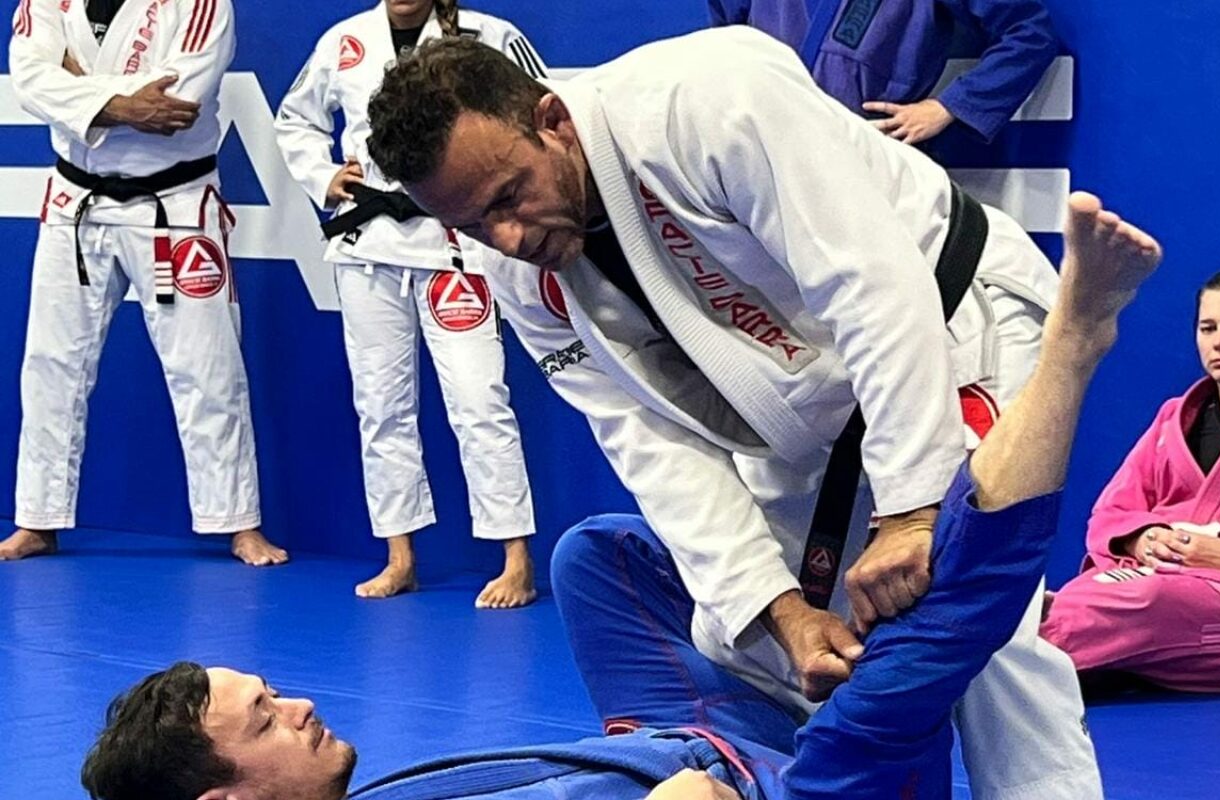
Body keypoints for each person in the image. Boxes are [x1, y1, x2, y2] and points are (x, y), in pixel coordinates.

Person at [77, 198, 1163, 799]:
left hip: (692, 737)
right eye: (266, 716)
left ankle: (768, 688)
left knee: (594, 553)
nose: (300, 700)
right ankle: (1073, 337)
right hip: (796, 785)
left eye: (270, 689)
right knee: (950, 598)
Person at [366, 28, 1097, 799]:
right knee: (755, 640)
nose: (506, 238)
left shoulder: (704, 102)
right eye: (473, 225)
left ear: (551, 118)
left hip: (952, 327)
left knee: (972, 611)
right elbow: (651, 441)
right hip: (800, 420)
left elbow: (876, 288)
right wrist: (782, 611)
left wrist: (912, 510)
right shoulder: (521, 275)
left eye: (510, 197)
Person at [273, 0, 544, 603]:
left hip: (456, 244)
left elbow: (540, 110)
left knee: (479, 400)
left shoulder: (488, 35)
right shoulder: (345, 40)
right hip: (368, 243)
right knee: (381, 404)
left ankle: (515, 558)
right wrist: (324, 176)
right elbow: (294, 120)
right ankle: (399, 555)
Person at [2, 0, 286, 565]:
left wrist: (86, 92)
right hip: (74, 200)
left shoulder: (201, 4)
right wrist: (121, 103)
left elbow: (177, 102)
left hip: (175, 202)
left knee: (207, 367)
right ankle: (37, 518)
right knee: (50, 363)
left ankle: (237, 522)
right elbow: (30, 77)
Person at [1041, 262, 1220, 693]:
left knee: (1142, 604)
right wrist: (1142, 537)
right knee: (1089, 595)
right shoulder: (1174, 421)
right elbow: (1111, 513)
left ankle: (1006, 657)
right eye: (1207, 328)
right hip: (1158, 579)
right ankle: (1026, 643)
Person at [708, 0, 1059, 145]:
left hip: (868, 153)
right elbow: (729, 44)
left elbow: (1029, 34)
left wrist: (948, 106)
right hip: (764, 147)